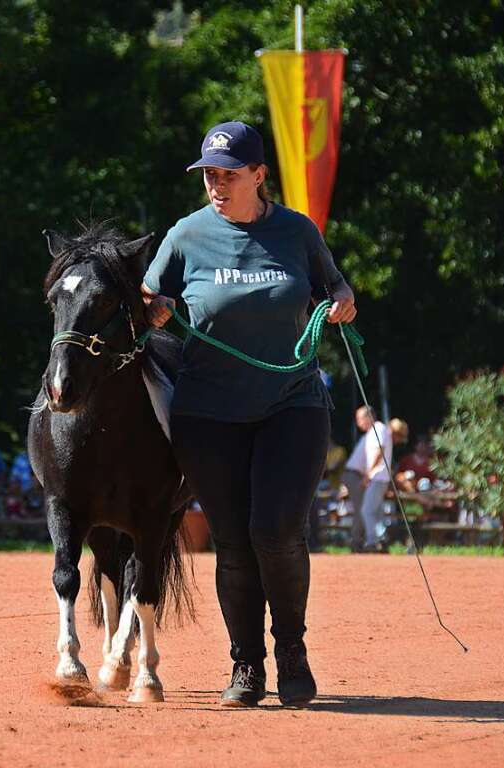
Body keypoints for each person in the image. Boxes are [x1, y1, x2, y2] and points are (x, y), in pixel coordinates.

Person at [141, 121, 357, 707]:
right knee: (234, 542)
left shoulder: (296, 231)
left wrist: (340, 302)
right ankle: (246, 666)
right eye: (209, 173)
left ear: (259, 175)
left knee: (277, 532)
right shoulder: (186, 235)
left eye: (229, 173)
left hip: (292, 404)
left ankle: (291, 650)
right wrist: (155, 309)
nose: (216, 183)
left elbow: (336, 286)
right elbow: (145, 295)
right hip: (208, 413)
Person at [343, 406, 393, 553]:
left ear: (369, 416)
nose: (358, 423)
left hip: (378, 476)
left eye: (360, 419)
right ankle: (381, 539)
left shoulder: (378, 428)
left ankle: (373, 541)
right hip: (377, 476)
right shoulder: (373, 431)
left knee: (366, 511)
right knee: (375, 511)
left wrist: (368, 474)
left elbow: (379, 452)